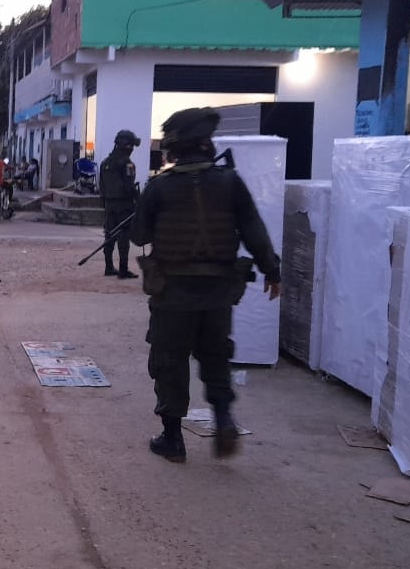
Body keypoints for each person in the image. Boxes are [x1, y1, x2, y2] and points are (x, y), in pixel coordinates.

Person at [131, 107, 281, 463]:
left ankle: (172, 439)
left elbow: (139, 235)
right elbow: (253, 230)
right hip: (218, 292)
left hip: (172, 292)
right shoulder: (229, 182)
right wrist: (272, 271)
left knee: (170, 361)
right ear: (204, 144)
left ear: (174, 148)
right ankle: (223, 418)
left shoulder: (159, 187)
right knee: (215, 356)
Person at [99, 129, 141, 279]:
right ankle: (123, 270)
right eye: (132, 146)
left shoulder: (104, 163)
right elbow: (129, 188)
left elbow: (101, 186)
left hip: (109, 205)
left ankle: (108, 267)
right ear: (127, 146)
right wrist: (139, 199)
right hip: (124, 206)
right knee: (123, 237)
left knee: (109, 235)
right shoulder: (128, 164)